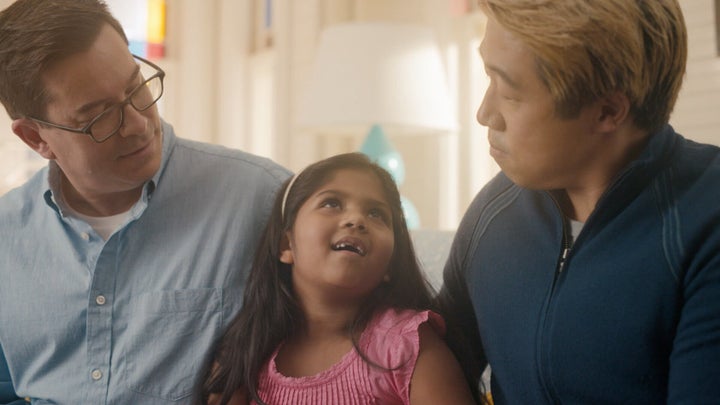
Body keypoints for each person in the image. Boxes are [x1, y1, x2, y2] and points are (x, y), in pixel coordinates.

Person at [0, 0, 291, 403]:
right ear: (35, 138)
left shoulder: (264, 198)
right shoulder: (6, 235)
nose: (139, 124)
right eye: (99, 115)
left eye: (137, 88)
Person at [438, 0, 720, 403]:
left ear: (607, 111)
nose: (485, 114)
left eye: (510, 93)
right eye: (488, 76)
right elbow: (424, 363)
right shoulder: (493, 212)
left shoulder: (706, 221)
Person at [195, 152, 479, 405]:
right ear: (286, 246)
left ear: (391, 263)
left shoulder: (408, 345)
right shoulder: (247, 356)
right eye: (331, 203)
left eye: (376, 213)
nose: (356, 220)